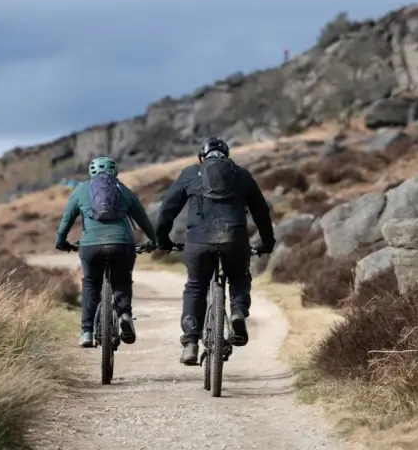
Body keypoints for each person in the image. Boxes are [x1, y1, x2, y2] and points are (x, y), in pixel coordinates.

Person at [155, 137, 275, 365]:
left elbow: (167, 209)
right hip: (234, 239)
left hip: (198, 242)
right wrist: (267, 242)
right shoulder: (242, 175)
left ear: (202, 158)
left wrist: (162, 239)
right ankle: (238, 311)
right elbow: (261, 213)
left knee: (195, 286)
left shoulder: (191, 174)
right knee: (238, 276)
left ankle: (190, 342)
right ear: (227, 158)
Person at [55, 156, 157, 348]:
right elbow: (143, 219)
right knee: (122, 279)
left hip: (91, 246)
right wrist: (153, 240)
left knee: (91, 283)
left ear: (91, 172)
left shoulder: (81, 190)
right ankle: (125, 314)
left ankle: (86, 332)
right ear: (115, 172)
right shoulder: (123, 190)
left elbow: (66, 220)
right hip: (122, 244)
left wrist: (60, 241)